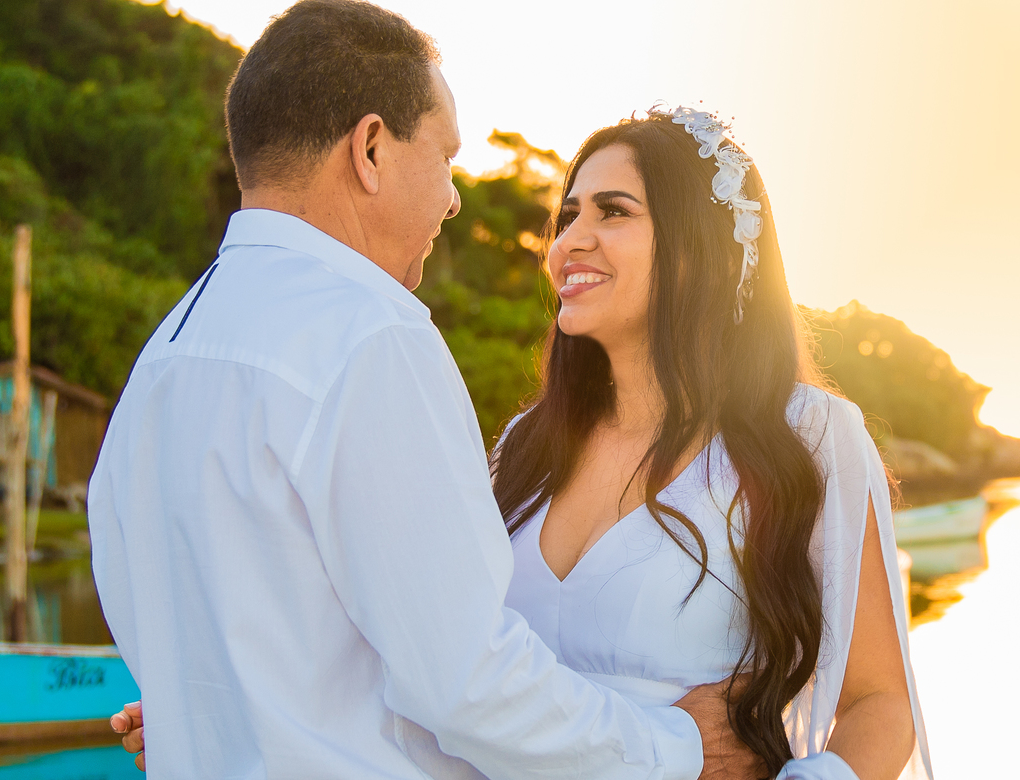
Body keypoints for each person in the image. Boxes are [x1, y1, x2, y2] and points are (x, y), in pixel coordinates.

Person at [109, 103, 936, 778]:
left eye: (613, 212)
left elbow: (880, 704)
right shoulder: (523, 451)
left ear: (702, 251)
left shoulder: (807, 438)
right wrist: (231, 705)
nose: (569, 241)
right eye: (567, 215)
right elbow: (438, 669)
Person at [89, 1, 758, 778]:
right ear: (371, 148)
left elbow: (192, 648)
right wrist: (676, 749)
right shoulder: (370, 336)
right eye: (443, 156)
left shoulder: (165, 355)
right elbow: (467, 680)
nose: (453, 197)